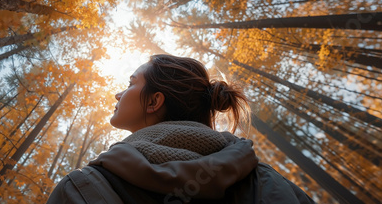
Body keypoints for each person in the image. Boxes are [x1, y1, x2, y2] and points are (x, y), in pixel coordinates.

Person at [47, 54, 315, 204]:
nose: (118, 94)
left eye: (130, 83)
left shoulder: (81, 187)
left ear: (154, 101)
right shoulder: (266, 181)